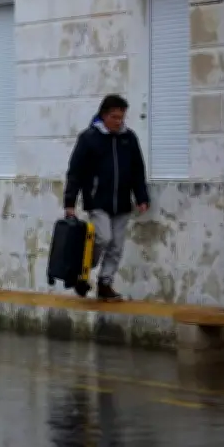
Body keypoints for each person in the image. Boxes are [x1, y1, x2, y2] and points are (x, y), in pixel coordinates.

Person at [62, 95, 150, 301]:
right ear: (104, 115)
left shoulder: (129, 138)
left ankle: (105, 283)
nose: (118, 121)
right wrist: (70, 202)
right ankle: (82, 270)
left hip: (122, 202)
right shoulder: (89, 138)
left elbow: (138, 170)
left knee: (116, 246)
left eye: (121, 117)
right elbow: (75, 171)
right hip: (97, 199)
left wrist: (141, 196)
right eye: (114, 117)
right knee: (103, 237)